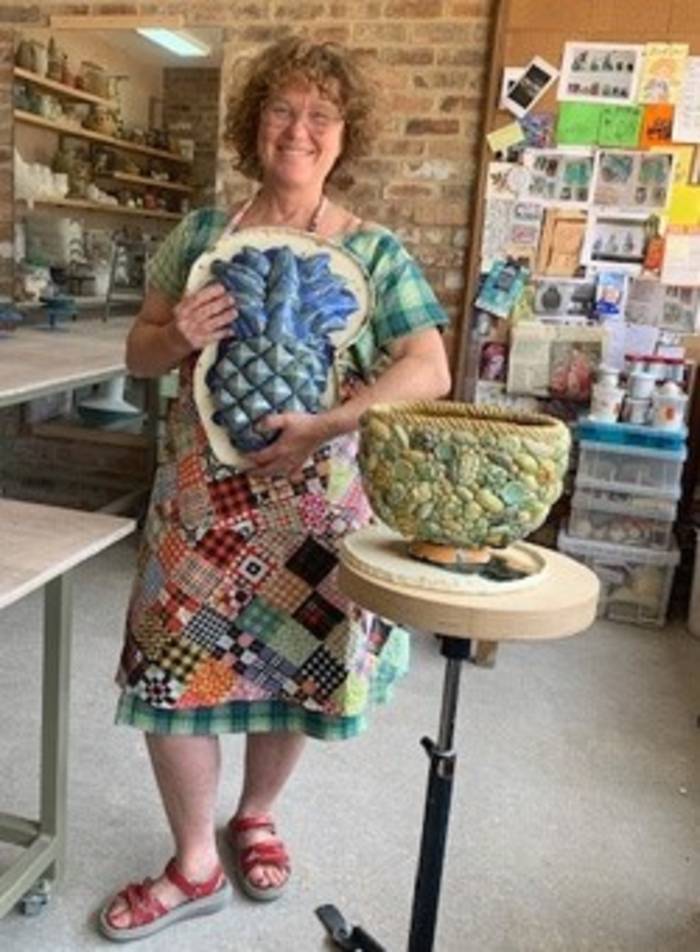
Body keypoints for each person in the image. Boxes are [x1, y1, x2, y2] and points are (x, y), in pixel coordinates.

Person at [100, 35, 451, 941]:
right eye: (283, 110)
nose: (299, 130)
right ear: (255, 125)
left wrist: (333, 422)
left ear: (344, 137)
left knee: (296, 671)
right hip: (197, 510)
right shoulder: (199, 238)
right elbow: (138, 353)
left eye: (321, 116)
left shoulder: (373, 253)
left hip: (312, 511)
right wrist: (177, 334)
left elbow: (428, 366)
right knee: (170, 674)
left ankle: (256, 815)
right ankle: (194, 862)